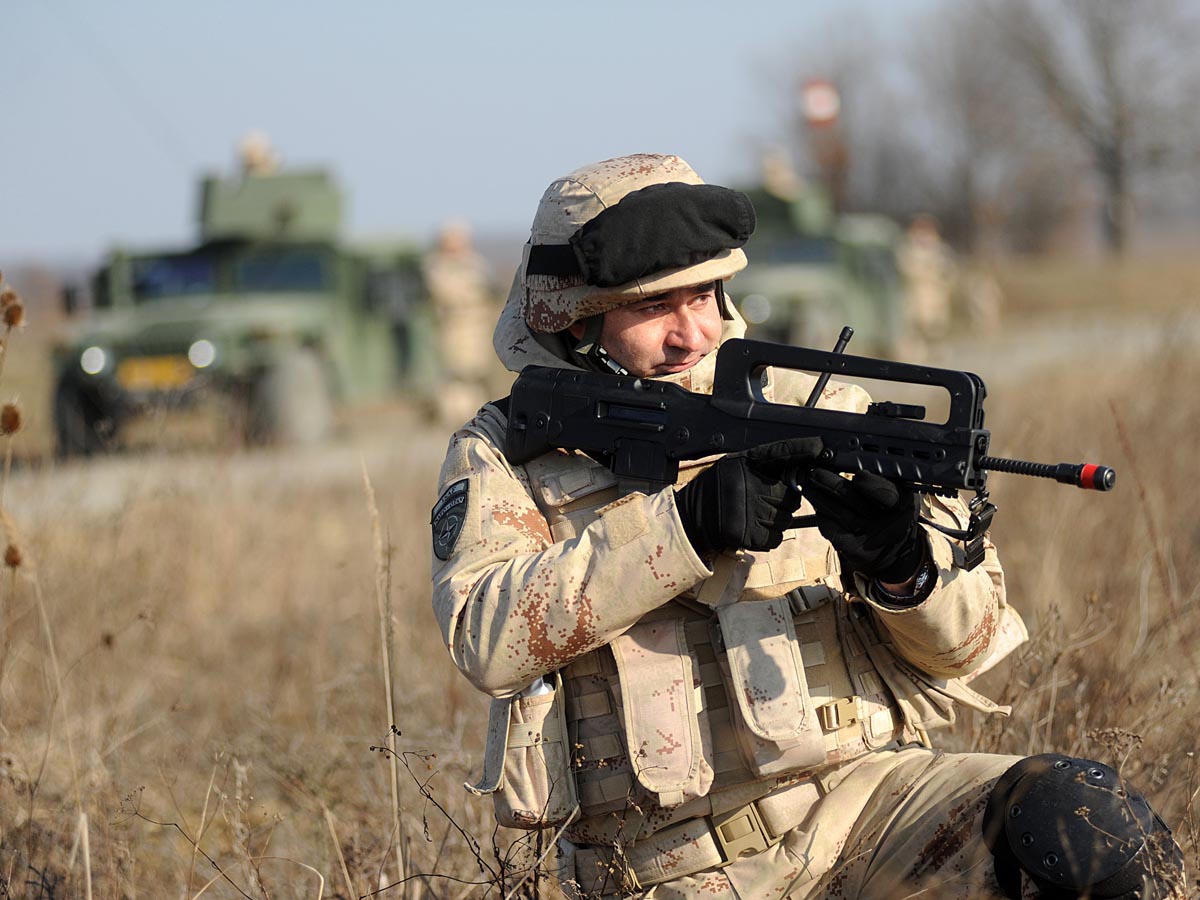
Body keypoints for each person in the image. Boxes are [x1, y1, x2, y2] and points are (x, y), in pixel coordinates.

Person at [430, 154, 1182, 899]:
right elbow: (485, 640)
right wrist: (683, 529)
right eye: (655, 307)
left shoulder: (817, 409)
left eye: (706, 295)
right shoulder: (505, 454)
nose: (693, 334)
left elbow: (969, 648)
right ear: (573, 318)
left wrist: (903, 570)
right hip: (663, 869)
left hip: (870, 814)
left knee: (1082, 826)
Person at [422, 219, 497, 424]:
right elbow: (445, 293)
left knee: (475, 374)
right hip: (452, 329)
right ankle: (454, 415)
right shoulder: (437, 266)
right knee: (455, 377)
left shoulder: (475, 263)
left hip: (476, 329)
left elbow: (487, 290)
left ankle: (477, 416)